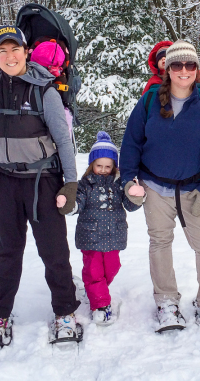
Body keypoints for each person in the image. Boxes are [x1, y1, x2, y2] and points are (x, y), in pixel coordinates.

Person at [0, 26, 82, 346]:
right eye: (2, 51)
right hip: (3, 181)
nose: (9, 56)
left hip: (42, 181)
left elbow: (64, 140)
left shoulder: (44, 90)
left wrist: (70, 184)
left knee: (54, 251)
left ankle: (65, 312)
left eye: (14, 49)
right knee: (6, 252)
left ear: (25, 51)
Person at [120, 40, 200, 333]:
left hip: (194, 189)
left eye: (189, 65)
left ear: (197, 69)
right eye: (177, 65)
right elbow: (131, 141)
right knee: (160, 242)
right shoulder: (150, 100)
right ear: (167, 69)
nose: (183, 70)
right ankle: (166, 301)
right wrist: (128, 178)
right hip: (155, 186)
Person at [60, 131, 142, 326]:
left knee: (112, 268)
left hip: (114, 235)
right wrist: (69, 204)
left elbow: (130, 206)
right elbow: (78, 202)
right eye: (99, 166)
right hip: (91, 236)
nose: (103, 170)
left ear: (114, 166)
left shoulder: (119, 185)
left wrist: (136, 196)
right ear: (92, 165)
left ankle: (94, 290)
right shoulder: (85, 185)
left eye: (108, 166)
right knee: (94, 271)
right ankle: (100, 305)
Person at [144, 40, 200, 112]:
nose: (163, 59)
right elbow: (145, 100)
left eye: (166, 56)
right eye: (160, 58)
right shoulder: (154, 81)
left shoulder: (196, 74)